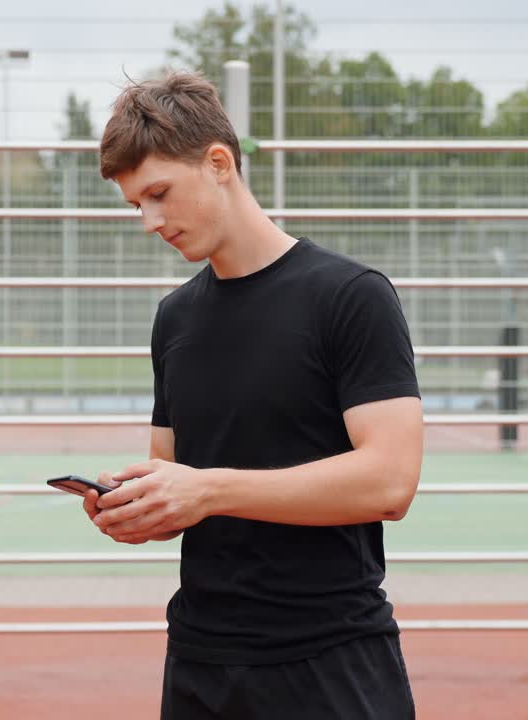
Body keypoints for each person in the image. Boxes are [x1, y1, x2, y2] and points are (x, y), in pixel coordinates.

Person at [83, 70, 424, 720]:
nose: (149, 222)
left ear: (218, 163)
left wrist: (208, 489)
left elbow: (390, 481)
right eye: (135, 205)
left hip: (330, 660)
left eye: (158, 193)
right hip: (199, 661)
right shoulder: (174, 318)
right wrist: (137, 506)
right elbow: (177, 479)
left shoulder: (350, 297)